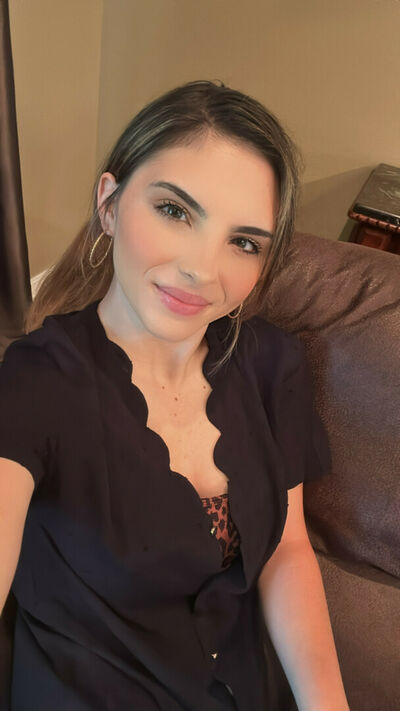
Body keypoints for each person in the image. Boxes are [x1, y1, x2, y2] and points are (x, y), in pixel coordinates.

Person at [0, 80, 349, 710]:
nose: (202, 270)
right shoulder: (36, 381)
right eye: (175, 211)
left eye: (243, 242)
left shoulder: (272, 365)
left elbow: (287, 547)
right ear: (109, 205)